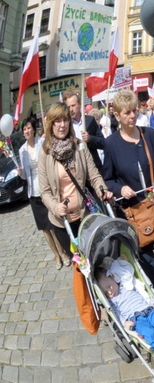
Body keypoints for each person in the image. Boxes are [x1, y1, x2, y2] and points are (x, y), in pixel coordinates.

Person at [103, 90, 154, 303]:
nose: (132, 115)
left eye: (134, 110)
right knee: (146, 255)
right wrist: (120, 189)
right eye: (127, 112)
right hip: (134, 210)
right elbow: (107, 179)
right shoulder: (111, 144)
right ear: (117, 116)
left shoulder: (151, 135)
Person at [37, 103, 113, 256]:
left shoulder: (79, 146)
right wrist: (55, 207)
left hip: (85, 217)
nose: (62, 125)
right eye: (57, 121)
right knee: (79, 265)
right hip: (62, 223)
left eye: (66, 120)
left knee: (96, 258)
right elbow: (44, 192)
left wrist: (102, 189)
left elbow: (94, 175)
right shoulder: (45, 153)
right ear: (51, 124)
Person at [17, 116, 69, 269]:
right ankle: (56, 256)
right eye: (24, 129)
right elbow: (26, 175)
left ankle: (64, 252)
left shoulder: (42, 142)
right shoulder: (22, 150)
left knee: (54, 224)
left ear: (33, 129)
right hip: (33, 192)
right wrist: (20, 173)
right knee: (44, 228)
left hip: (47, 188)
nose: (27, 131)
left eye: (28, 127)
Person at [62, 90, 106, 172]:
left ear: (79, 104)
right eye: (68, 107)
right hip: (77, 170)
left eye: (73, 105)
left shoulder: (89, 120)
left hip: (94, 168)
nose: (71, 109)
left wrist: (90, 139)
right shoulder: (66, 125)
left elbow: (103, 143)